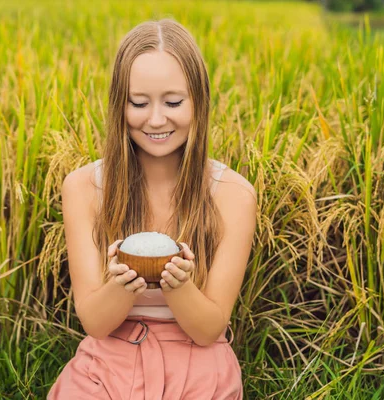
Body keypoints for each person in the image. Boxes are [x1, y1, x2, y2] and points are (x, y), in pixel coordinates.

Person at [48, 18, 256, 400]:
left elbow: (209, 329)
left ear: (199, 100)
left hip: (199, 361)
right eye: (139, 103)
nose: (156, 119)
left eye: (174, 102)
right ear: (118, 105)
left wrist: (179, 286)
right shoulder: (83, 188)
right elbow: (95, 323)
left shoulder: (233, 194)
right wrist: (120, 286)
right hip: (108, 361)